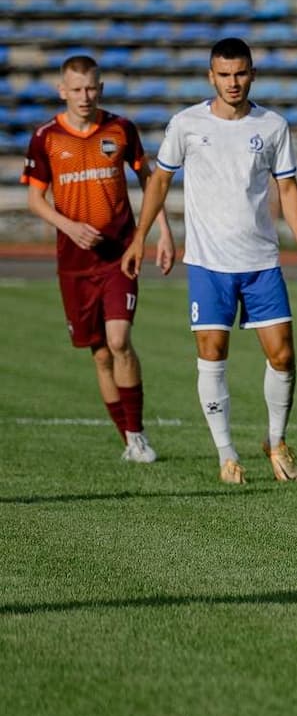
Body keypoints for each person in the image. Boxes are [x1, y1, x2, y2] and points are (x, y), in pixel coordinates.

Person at [121, 38, 297, 485]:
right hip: (209, 264)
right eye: (224, 75)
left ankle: (275, 439)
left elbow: (287, 188)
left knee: (283, 354)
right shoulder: (186, 124)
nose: (233, 82)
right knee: (213, 353)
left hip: (261, 261)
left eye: (241, 73)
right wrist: (141, 237)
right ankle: (226, 453)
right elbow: (159, 183)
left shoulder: (273, 125)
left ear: (252, 74)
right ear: (211, 77)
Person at [21, 53, 175, 463]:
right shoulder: (46, 137)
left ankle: (138, 435)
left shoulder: (121, 129)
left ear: (101, 88)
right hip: (74, 261)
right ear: (62, 91)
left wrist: (162, 233)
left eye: (91, 88)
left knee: (119, 339)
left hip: (119, 255)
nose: (84, 96)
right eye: (76, 89)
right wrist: (69, 226)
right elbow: (35, 200)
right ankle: (127, 439)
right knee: (101, 353)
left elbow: (149, 181)